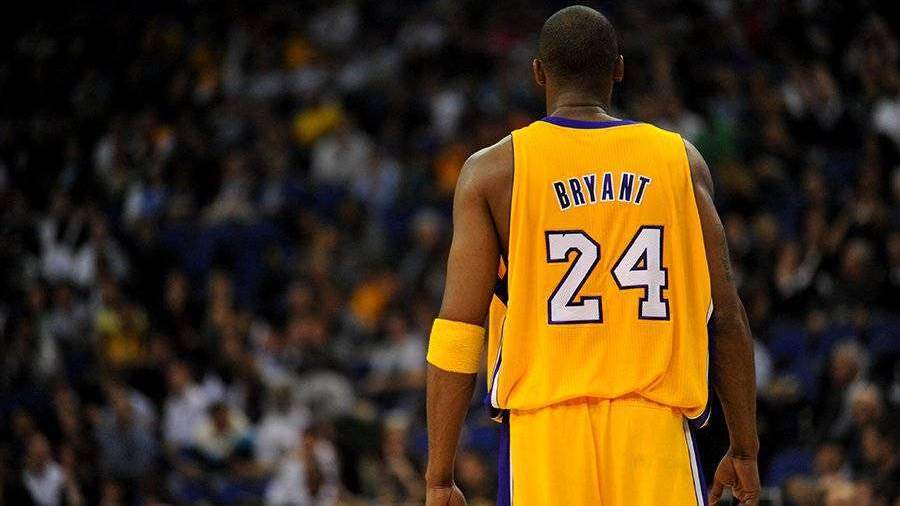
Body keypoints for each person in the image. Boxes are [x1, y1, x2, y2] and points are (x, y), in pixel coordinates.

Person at [425, 6, 760, 506]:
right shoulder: (680, 161)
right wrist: (744, 448)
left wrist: (438, 476)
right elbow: (727, 316)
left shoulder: (493, 171)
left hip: (544, 436)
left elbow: (458, 331)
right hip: (654, 430)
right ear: (618, 69)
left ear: (539, 72)